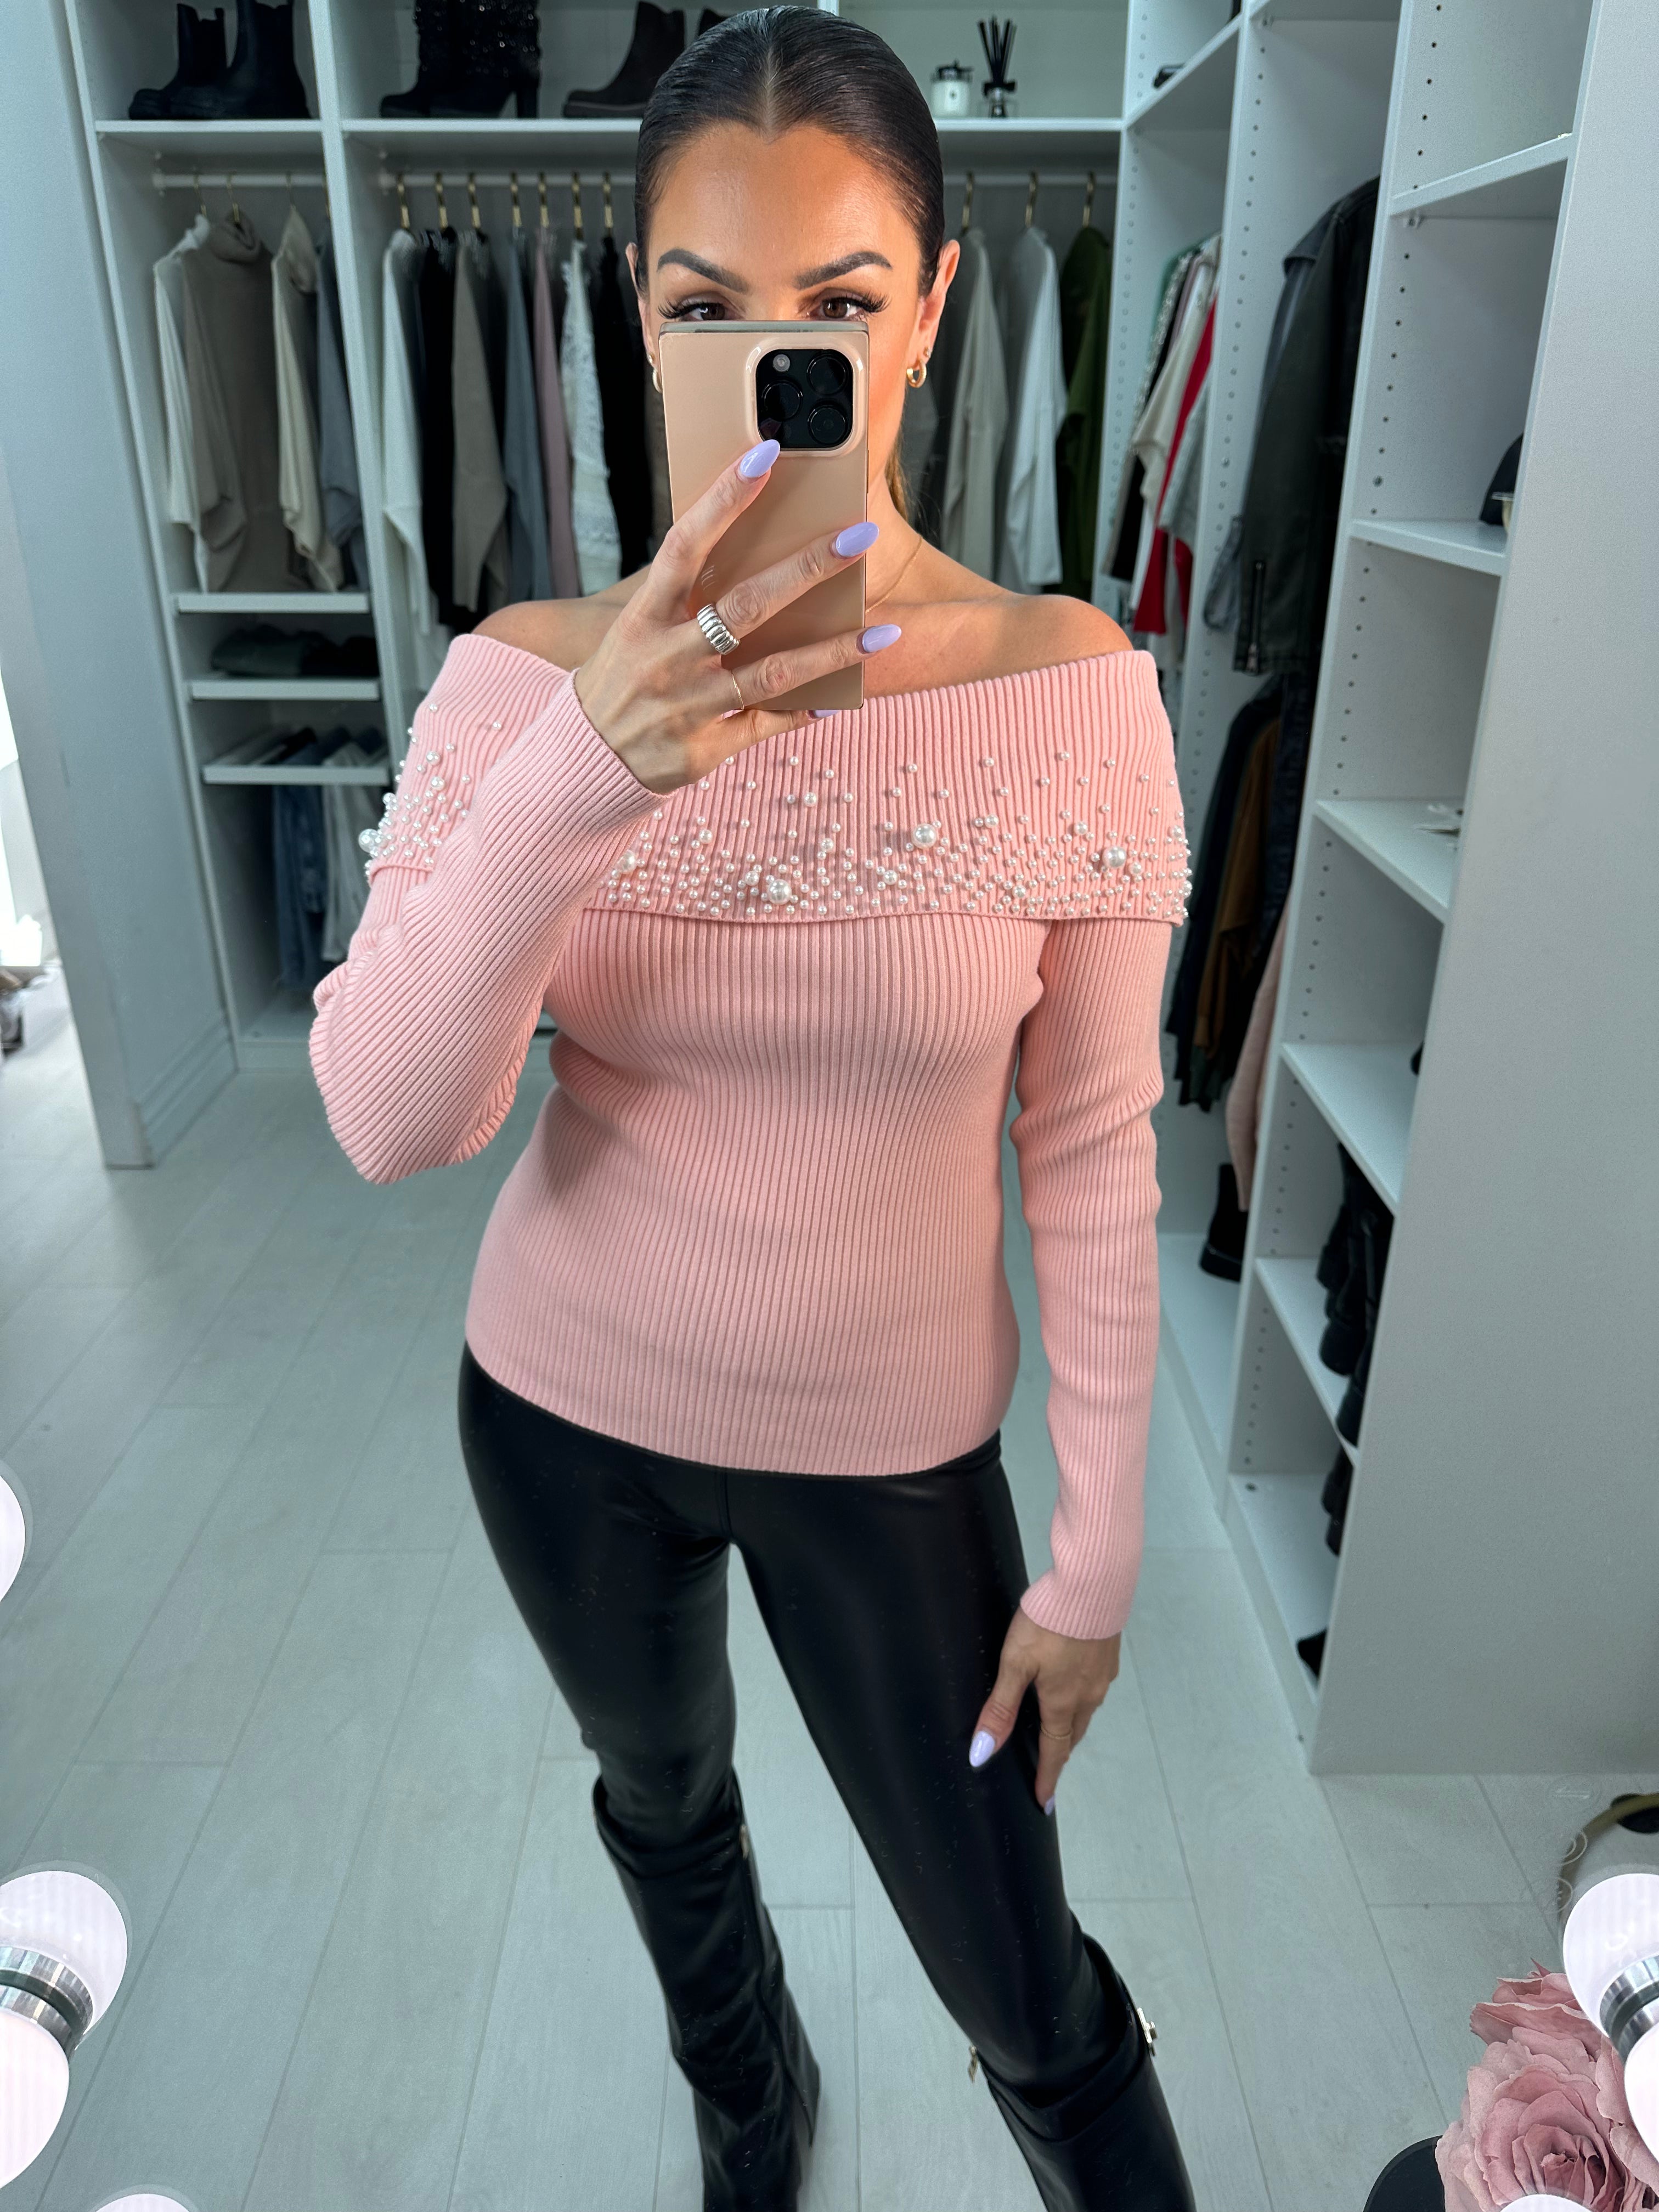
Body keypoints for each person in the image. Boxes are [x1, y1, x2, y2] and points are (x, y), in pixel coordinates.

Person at [310, 10, 1194, 2207]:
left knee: (1027, 1987)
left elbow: (1091, 1151)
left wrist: (1095, 1549)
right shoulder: (519, 680)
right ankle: (747, 2098)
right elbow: (391, 1121)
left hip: (893, 1454)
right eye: (708, 306)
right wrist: (578, 777)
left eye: (839, 304)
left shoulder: (1075, 695)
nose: (771, 361)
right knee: (664, 1800)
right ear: (638, 314)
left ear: (935, 315)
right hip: (559, 1411)